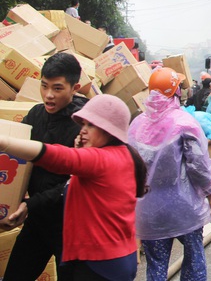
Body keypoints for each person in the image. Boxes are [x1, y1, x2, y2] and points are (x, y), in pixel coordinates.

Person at [0, 94, 146, 280]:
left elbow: (57, 156)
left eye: (90, 125)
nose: (83, 131)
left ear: (109, 130)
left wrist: (4, 143)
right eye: (83, 124)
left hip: (99, 265)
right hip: (115, 259)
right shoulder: (122, 155)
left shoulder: (102, 159)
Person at [128, 67, 211, 281]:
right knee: (194, 262)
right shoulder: (184, 123)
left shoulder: (136, 124)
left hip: (149, 210)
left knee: (156, 267)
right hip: (183, 208)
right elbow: (198, 165)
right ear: (175, 92)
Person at [1, 53, 88, 281]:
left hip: (70, 227)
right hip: (37, 218)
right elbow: (16, 161)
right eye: (44, 86)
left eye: (58, 88)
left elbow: (74, 181)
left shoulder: (85, 126)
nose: (49, 95)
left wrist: (30, 205)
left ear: (75, 87)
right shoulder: (36, 114)